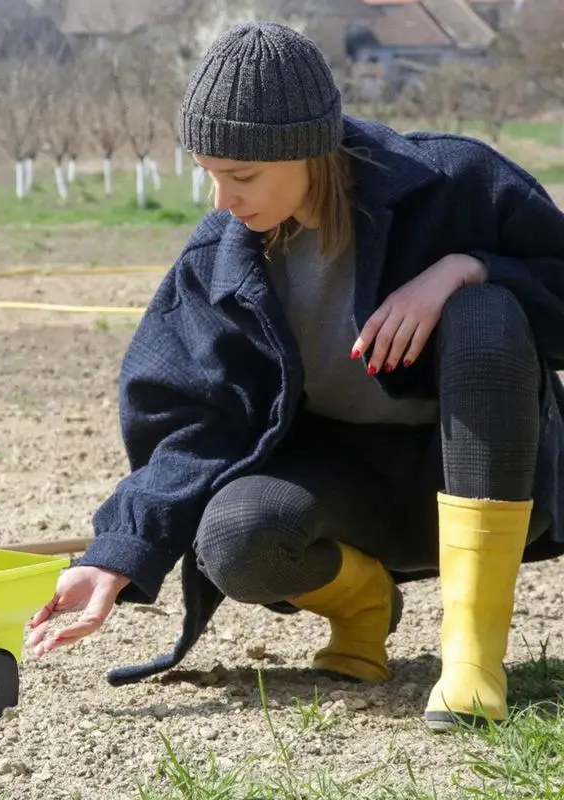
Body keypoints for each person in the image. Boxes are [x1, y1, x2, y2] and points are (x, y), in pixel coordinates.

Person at [29, 21, 564, 731]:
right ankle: (365, 607)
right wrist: (114, 557)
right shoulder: (218, 261)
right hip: (351, 497)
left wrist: (465, 270)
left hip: (489, 473)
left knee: (487, 316)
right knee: (235, 537)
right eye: (210, 174)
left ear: (309, 149)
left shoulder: (455, 183)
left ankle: (471, 657)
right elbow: (195, 424)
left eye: (242, 176)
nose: (223, 201)